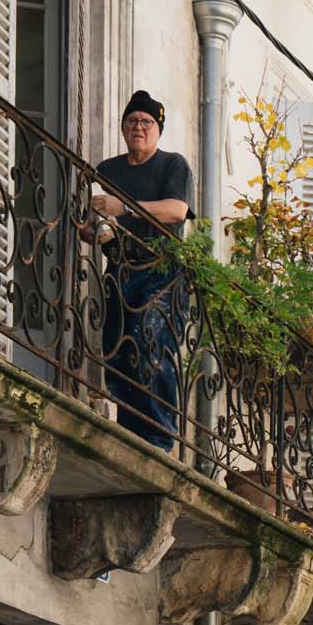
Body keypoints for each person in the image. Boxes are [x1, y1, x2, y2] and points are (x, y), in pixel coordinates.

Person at [94, 93, 194, 446]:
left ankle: (160, 438)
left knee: (150, 343)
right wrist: (93, 227)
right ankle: (129, 431)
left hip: (161, 271)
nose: (139, 127)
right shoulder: (107, 170)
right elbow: (91, 215)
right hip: (119, 270)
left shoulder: (173, 165)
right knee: (118, 349)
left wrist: (122, 206)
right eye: (133, 121)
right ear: (122, 128)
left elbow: (177, 210)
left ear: (158, 130)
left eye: (147, 122)